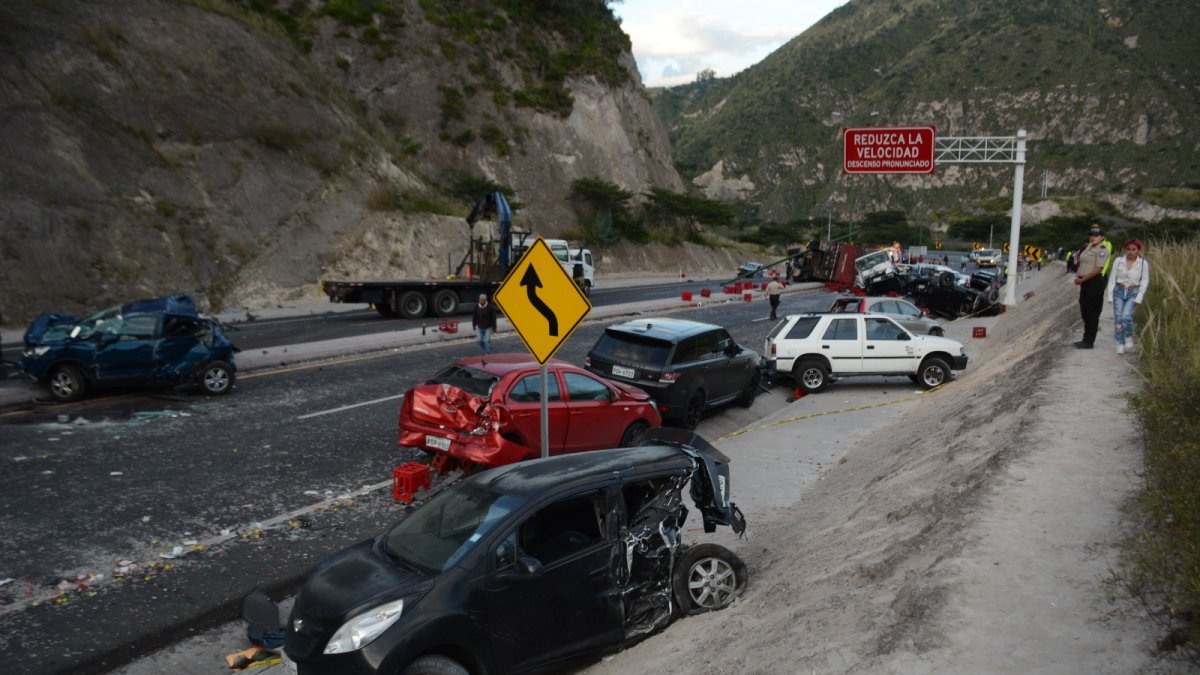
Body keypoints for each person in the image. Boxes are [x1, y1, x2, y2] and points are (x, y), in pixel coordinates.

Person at [1105, 239, 1150, 355]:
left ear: (1138, 250)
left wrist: (1139, 297)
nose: (1130, 252)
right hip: (1118, 291)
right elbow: (1112, 278)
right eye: (1128, 249)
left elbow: (1144, 280)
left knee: (1126, 316)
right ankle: (1120, 343)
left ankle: (1129, 336)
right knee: (1118, 318)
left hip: (1133, 292)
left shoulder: (1143, 263)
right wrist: (1109, 295)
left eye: (1133, 249)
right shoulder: (1118, 261)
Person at [1072, 225, 1110, 349]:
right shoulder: (1089, 247)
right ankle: (1085, 337)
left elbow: (1098, 269)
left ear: (1102, 237)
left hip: (1094, 282)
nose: (1093, 237)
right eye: (1091, 235)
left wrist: (1082, 279)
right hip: (1085, 282)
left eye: (1096, 235)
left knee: (1092, 312)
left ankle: (1089, 341)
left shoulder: (1102, 249)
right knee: (1084, 310)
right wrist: (1080, 278)